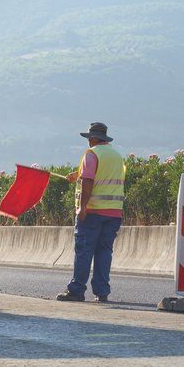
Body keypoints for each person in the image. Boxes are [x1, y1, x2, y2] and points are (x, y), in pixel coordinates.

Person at [56, 122, 125, 302]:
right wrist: (77, 174)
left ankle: (77, 290)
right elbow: (104, 177)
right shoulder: (117, 156)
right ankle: (102, 292)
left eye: (88, 138)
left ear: (93, 138)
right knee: (104, 252)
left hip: (93, 211)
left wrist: (82, 206)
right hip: (114, 213)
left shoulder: (92, 154)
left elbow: (88, 181)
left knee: (84, 251)